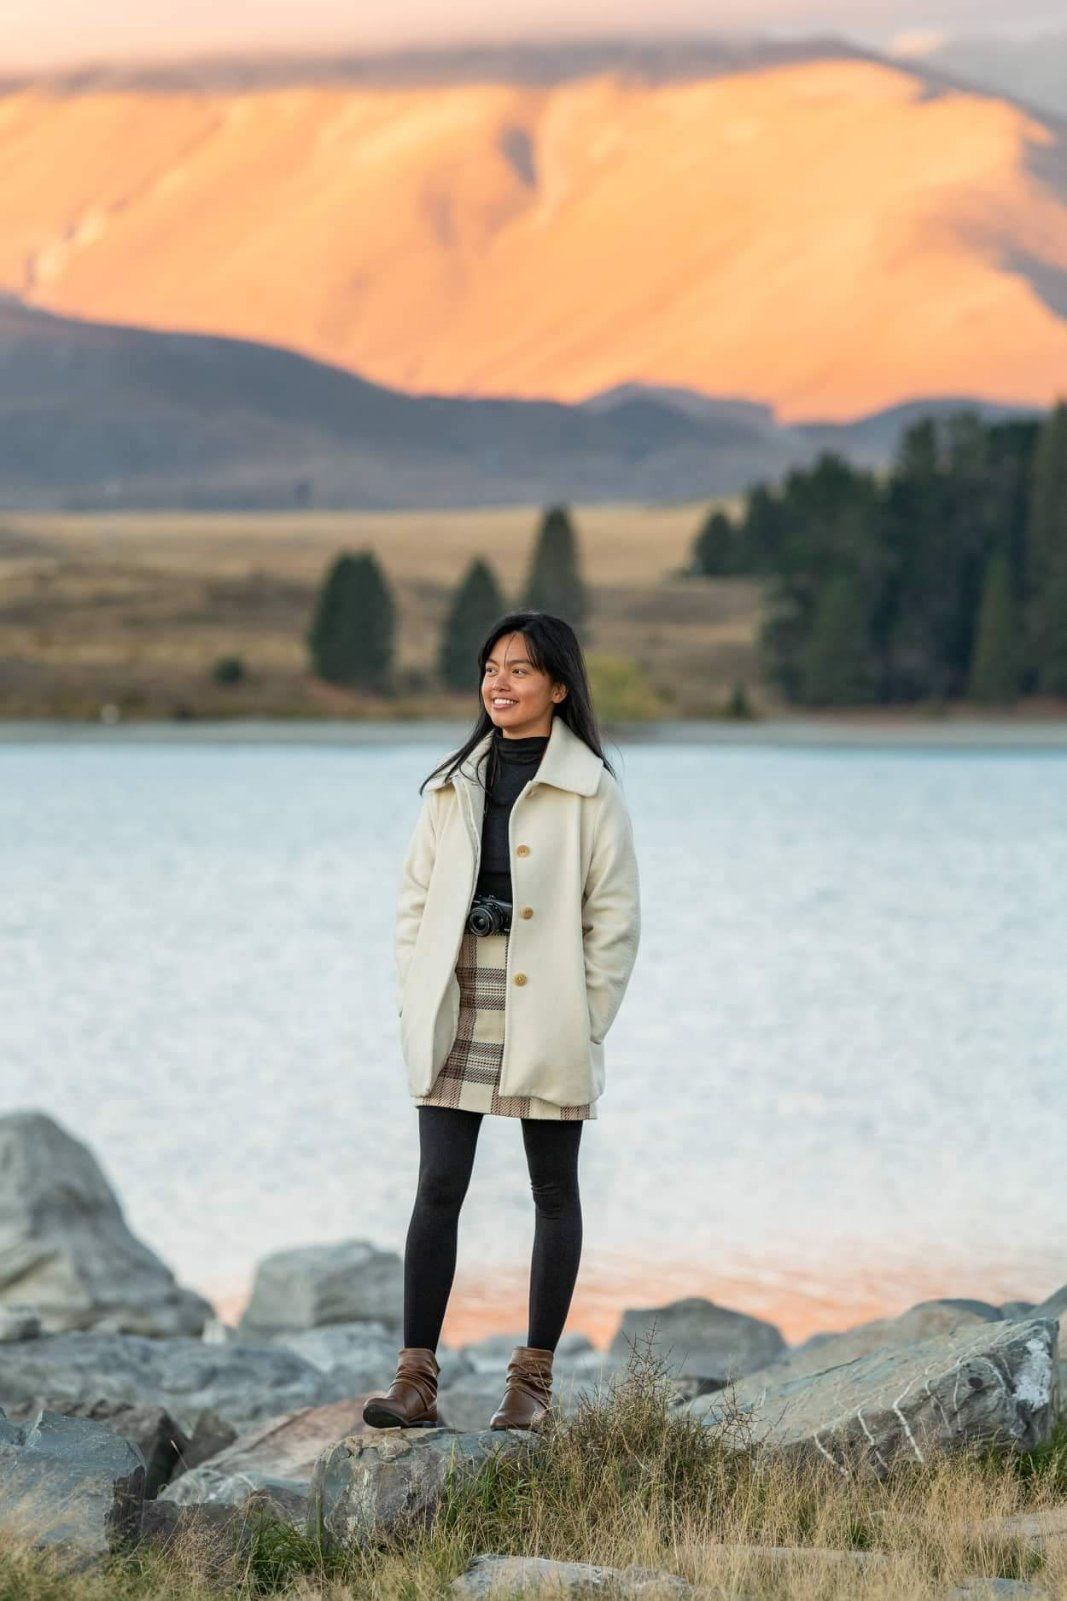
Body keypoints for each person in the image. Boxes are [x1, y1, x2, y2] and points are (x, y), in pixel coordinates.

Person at [362, 610, 641, 1432]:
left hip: (549, 1003)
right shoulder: (450, 785)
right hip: (457, 994)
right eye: (490, 667)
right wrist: (415, 990)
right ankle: (415, 1380)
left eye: (519, 669)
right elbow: (414, 900)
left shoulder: (592, 790)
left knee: (552, 1189)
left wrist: (586, 1018)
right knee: (438, 1185)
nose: (498, 682)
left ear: (558, 686)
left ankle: (531, 1385)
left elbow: (615, 920)